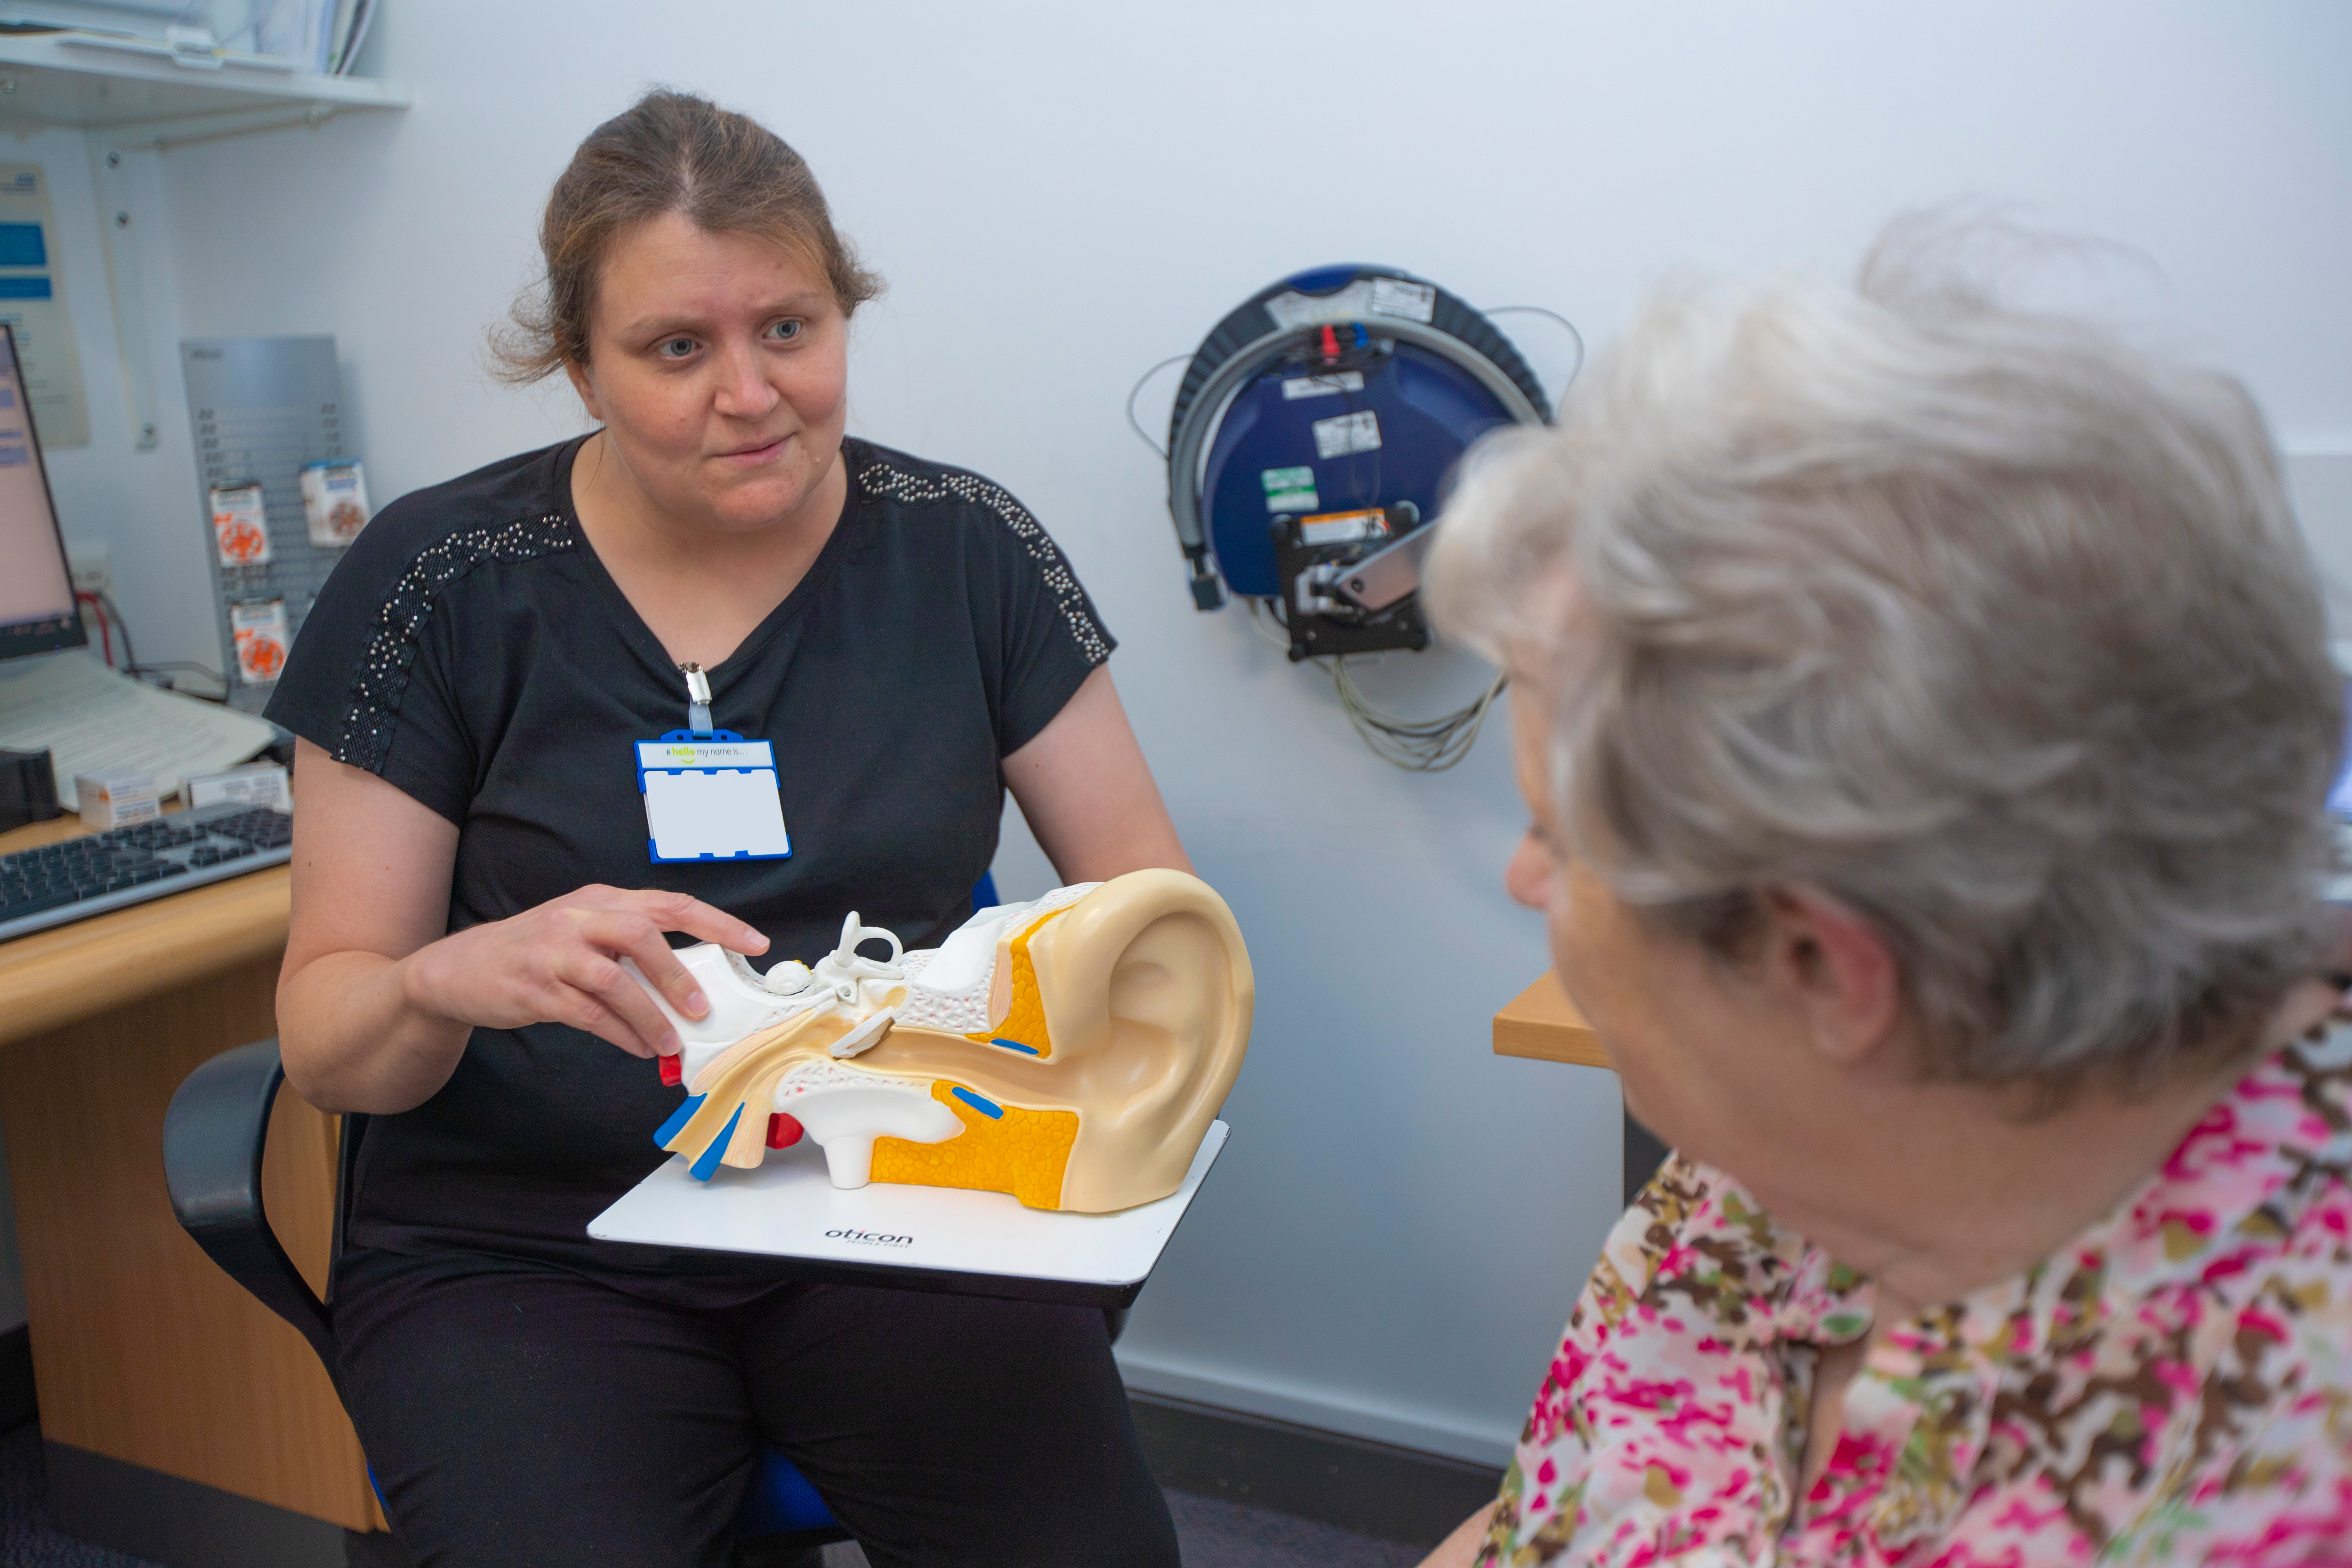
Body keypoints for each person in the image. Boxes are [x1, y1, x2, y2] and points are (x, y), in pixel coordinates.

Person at [267, 90, 1188, 1568]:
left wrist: (1039, 1028)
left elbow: (1157, 914)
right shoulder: (439, 582)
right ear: (579, 365)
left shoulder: (966, 551)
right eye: (676, 348)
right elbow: (327, 1040)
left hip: (882, 1202)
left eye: (791, 328)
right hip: (527, 1248)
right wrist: (448, 977)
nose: (751, 393)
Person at [1415, 232, 2352, 1565]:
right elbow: (1537, 1521)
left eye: (1556, 839)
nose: (1524, 881)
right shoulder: (1763, 1179)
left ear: (1823, 968)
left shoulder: (2273, 1481)